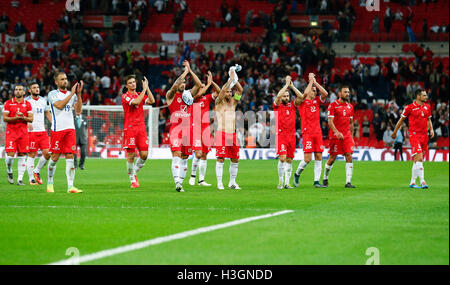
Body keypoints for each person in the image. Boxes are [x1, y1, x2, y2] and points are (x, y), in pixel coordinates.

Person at [166, 60, 202, 192]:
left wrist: (190, 70)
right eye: (181, 82)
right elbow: (175, 85)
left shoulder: (188, 95)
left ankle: (180, 183)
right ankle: (177, 183)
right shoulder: (170, 96)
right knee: (176, 154)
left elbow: (199, 85)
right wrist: (185, 72)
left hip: (188, 130)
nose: (182, 84)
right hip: (176, 130)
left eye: (184, 83)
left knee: (185, 158)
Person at [46, 72, 83, 193]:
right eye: (62, 79)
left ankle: (70, 186)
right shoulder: (52, 94)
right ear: (56, 82)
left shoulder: (71, 95)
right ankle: (50, 182)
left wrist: (78, 94)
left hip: (70, 129)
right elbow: (60, 106)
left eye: (66, 79)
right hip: (58, 129)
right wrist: (72, 93)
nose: (65, 81)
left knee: (70, 156)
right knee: (55, 157)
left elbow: (78, 111)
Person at [391, 89, 434, 189]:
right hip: (414, 135)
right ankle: (423, 181)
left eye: (426, 95)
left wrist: (431, 130)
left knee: (416, 160)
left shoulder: (427, 107)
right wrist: (395, 132)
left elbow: (428, 119)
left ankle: (412, 182)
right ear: (418, 96)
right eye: (424, 95)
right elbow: (401, 120)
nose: (426, 97)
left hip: (424, 135)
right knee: (419, 158)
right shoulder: (409, 107)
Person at [294, 73, 329, 188]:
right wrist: (310, 82)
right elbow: (304, 94)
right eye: (313, 90)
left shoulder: (317, 102)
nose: (315, 92)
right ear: (309, 91)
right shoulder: (302, 102)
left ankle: (316, 182)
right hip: (307, 133)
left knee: (319, 157)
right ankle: (297, 174)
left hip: (317, 133)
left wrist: (315, 82)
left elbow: (325, 93)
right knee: (307, 159)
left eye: (315, 91)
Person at [121, 75, 155, 188]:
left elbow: (152, 100)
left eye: (134, 82)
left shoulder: (140, 94)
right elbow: (135, 102)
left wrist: (147, 88)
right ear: (126, 85)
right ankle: (132, 180)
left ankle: (133, 172)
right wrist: (144, 90)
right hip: (130, 128)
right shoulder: (125, 96)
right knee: (130, 155)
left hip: (141, 128)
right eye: (130, 83)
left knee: (144, 155)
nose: (133, 84)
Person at [215, 64, 244, 190]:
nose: (229, 92)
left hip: (232, 134)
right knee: (221, 159)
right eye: (227, 91)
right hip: (221, 133)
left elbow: (240, 90)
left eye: (230, 91)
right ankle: (220, 183)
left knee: (235, 159)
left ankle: (232, 182)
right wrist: (231, 77)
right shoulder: (219, 102)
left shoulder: (233, 102)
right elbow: (221, 91)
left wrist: (235, 79)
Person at [189, 71, 220, 187]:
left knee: (204, 154)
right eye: (200, 87)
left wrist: (211, 82)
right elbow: (197, 95)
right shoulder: (191, 98)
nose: (203, 89)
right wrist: (206, 85)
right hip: (195, 129)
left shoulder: (206, 98)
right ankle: (192, 176)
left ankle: (201, 180)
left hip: (205, 129)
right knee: (197, 154)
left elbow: (218, 92)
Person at [273, 75, 303, 189]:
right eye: (284, 96)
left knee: (289, 159)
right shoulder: (277, 106)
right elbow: (277, 96)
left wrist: (292, 86)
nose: (286, 97)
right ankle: (280, 182)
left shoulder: (293, 106)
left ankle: (287, 183)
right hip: (281, 135)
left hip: (292, 136)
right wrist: (286, 85)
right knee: (282, 158)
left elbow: (301, 97)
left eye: (287, 96)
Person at [323, 85, 356, 188]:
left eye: (348, 92)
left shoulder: (350, 107)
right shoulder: (332, 106)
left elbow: (351, 123)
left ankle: (348, 182)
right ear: (340, 94)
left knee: (349, 156)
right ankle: (325, 177)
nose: (347, 94)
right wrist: (336, 132)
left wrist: (352, 137)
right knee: (332, 158)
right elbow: (330, 121)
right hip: (335, 136)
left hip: (347, 135)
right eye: (345, 92)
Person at [3, 84, 33, 185]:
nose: (18, 91)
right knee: (10, 156)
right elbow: (5, 118)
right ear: (14, 91)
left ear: (24, 92)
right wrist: (15, 118)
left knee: (22, 155)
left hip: (23, 134)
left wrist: (23, 117)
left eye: (20, 90)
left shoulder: (28, 104)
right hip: (11, 133)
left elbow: (31, 119)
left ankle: (20, 179)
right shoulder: (8, 103)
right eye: (16, 90)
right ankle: (9, 171)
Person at [25, 82, 52, 185]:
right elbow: (22, 114)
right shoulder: (26, 101)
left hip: (42, 131)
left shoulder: (43, 100)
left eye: (37, 87)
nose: (37, 89)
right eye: (34, 88)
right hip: (31, 132)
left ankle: (36, 171)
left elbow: (47, 113)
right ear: (29, 90)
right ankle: (31, 179)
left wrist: (54, 123)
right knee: (31, 154)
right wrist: (27, 123)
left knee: (48, 152)